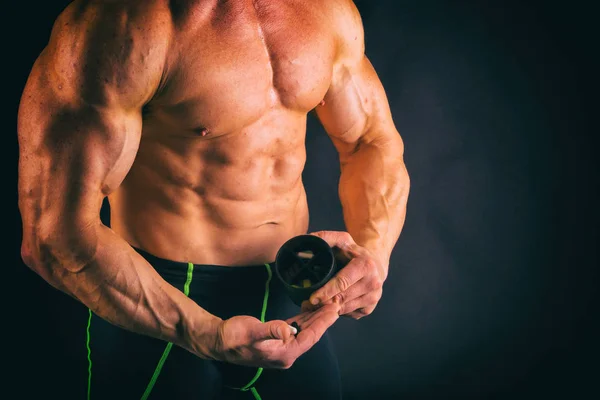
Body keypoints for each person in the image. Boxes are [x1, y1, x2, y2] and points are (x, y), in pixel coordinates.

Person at [17, 0, 409, 398]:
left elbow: (370, 143)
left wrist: (373, 253)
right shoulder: (123, 25)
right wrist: (202, 332)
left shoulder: (326, 11)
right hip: (157, 303)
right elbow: (53, 234)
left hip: (290, 295)